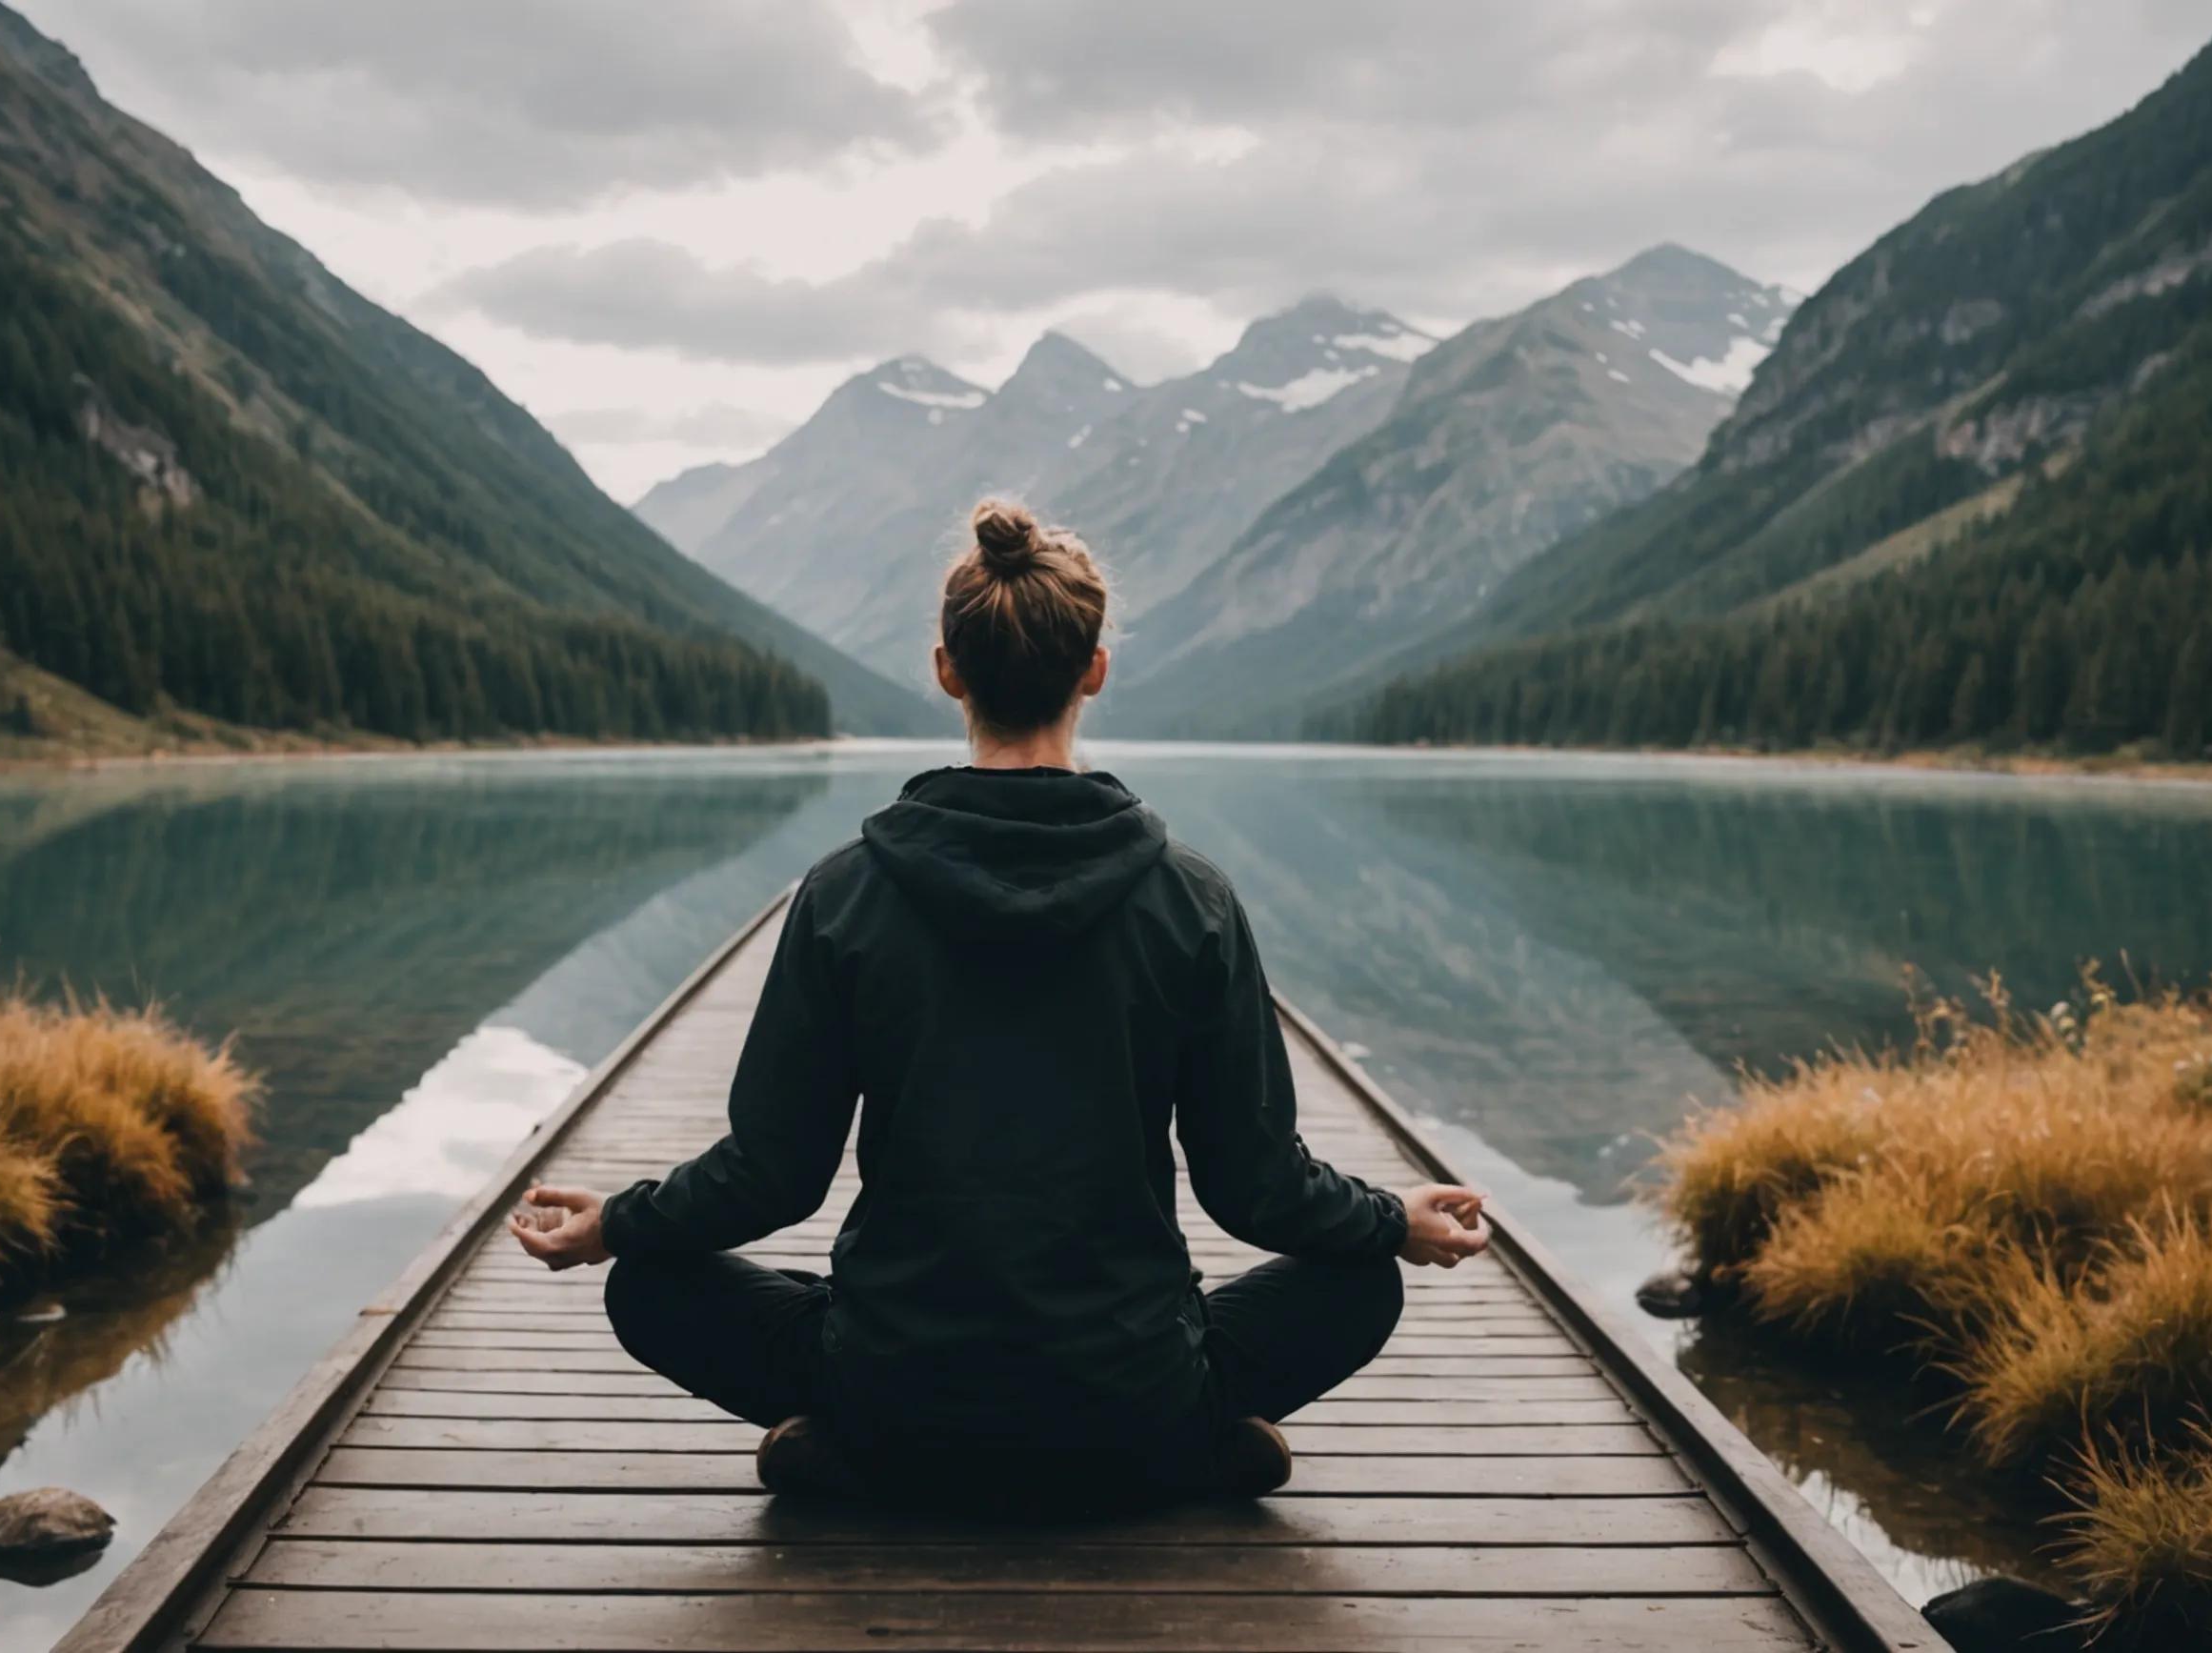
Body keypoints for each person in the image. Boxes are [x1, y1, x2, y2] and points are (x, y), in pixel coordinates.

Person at [509, 498, 1488, 1501]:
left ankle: (848, 1446)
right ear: (1095, 669)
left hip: (893, 1386)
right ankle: (1188, 1447)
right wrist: (1387, 1219)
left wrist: (619, 1222)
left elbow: (773, 1176)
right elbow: (1254, 1185)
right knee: (1361, 1280)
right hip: (1130, 1389)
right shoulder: (1191, 898)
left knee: (650, 1282)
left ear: (946, 669)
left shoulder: (845, 893)